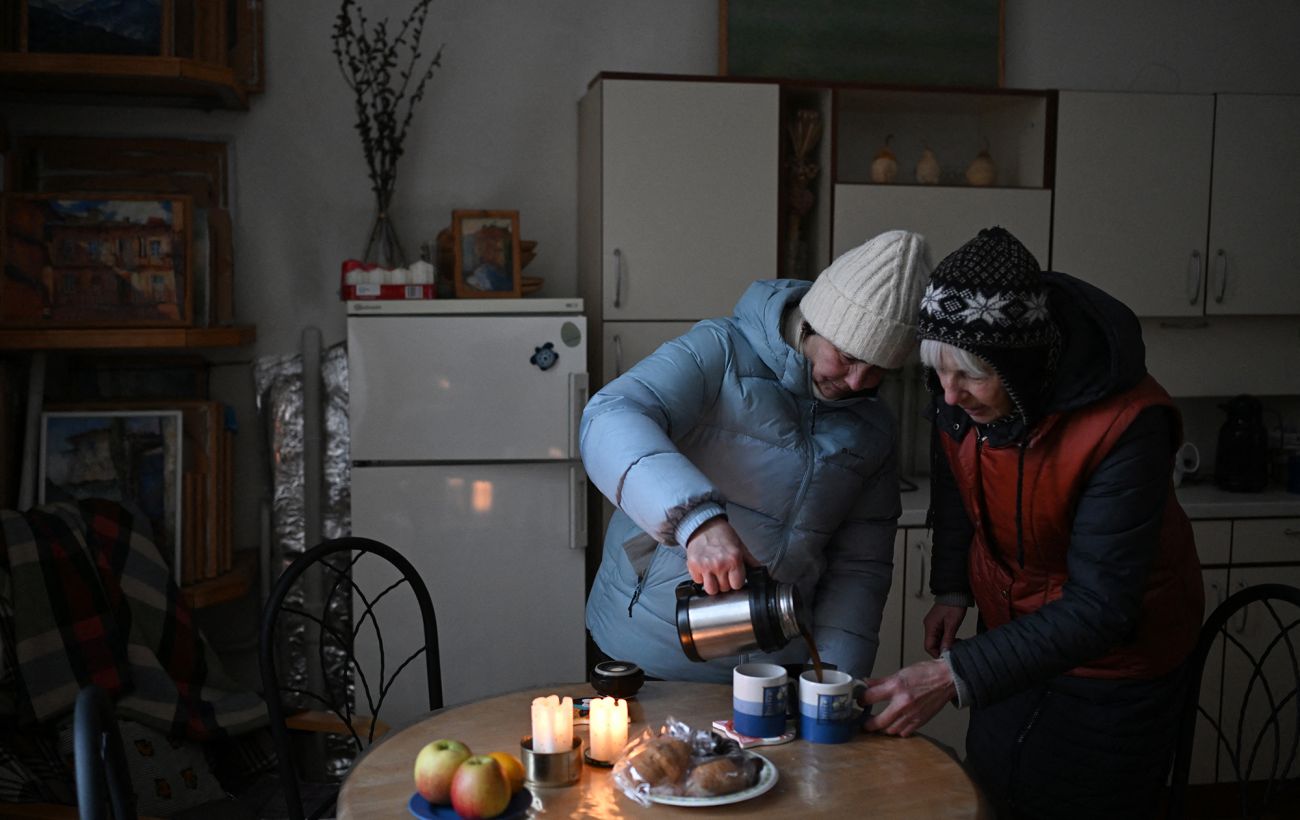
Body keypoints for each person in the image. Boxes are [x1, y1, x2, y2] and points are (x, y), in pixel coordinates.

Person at [860, 227, 1204, 819]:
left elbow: (1102, 608)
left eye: (969, 376)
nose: (950, 394)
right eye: (939, 373)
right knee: (990, 794)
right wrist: (952, 587)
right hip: (1013, 639)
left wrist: (953, 673)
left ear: (1020, 365)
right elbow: (956, 479)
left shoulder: (1127, 427)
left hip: (1117, 669)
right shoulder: (958, 393)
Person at [582, 230, 933, 682]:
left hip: (774, 667)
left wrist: (835, 679)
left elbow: (858, 568)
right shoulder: (720, 352)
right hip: (651, 652)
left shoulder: (873, 427)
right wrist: (698, 523)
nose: (857, 381)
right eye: (846, 356)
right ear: (812, 323)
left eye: (879, 370)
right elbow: (609, 416)